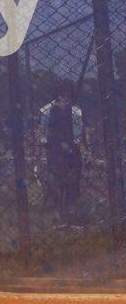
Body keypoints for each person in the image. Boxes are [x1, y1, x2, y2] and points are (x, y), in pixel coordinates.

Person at [40, 81, 85, 225]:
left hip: (72, 152)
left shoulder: (76, 111)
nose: (66, 98)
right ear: (58, 96)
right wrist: (54, 145)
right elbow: (43, 133)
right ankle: (57, 215)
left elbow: (79, 134)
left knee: (73, 183)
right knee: (56, 183)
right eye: (63, 95)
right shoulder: (48, 111)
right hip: (55, 152)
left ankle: (72, 214)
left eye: (69, 96)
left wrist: (77, 148)